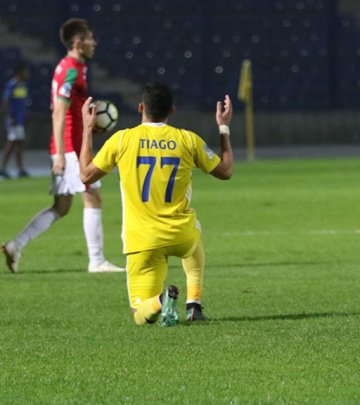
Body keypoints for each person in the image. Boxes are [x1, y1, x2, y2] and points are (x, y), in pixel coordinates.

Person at [78, 82, 234, 326]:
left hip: (143, 241)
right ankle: (194, 303)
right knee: (195, 233)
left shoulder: (122, 139)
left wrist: (87, 129)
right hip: (180, 235)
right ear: (171, 111)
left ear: (141, 108)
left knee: (141, 314)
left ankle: (161, 301)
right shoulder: (188, 139)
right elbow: (225, 171)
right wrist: (223, 127)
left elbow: (86, 175)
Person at [2, 19, 123, 273]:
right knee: (93, 199)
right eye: (90, 38)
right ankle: (97, 261)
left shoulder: (71, 66)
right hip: (70, 148)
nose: (94, 42)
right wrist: (59, 153)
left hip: (70, 144)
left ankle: (16, 245)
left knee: (62, 207)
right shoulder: (71, 69)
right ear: (78, 43)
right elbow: (58, 112)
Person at [0, 63, 30, 178]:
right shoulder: (12, 85)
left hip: (20, 119)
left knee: (19, 143)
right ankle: (3, 168)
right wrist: (10, 117)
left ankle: (21, 169)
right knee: (12, 143)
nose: (27, 74)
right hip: (13, 119)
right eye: (25, 72)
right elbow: (6, 101)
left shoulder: (24, 85)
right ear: (20, 72)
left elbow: (22, 103)